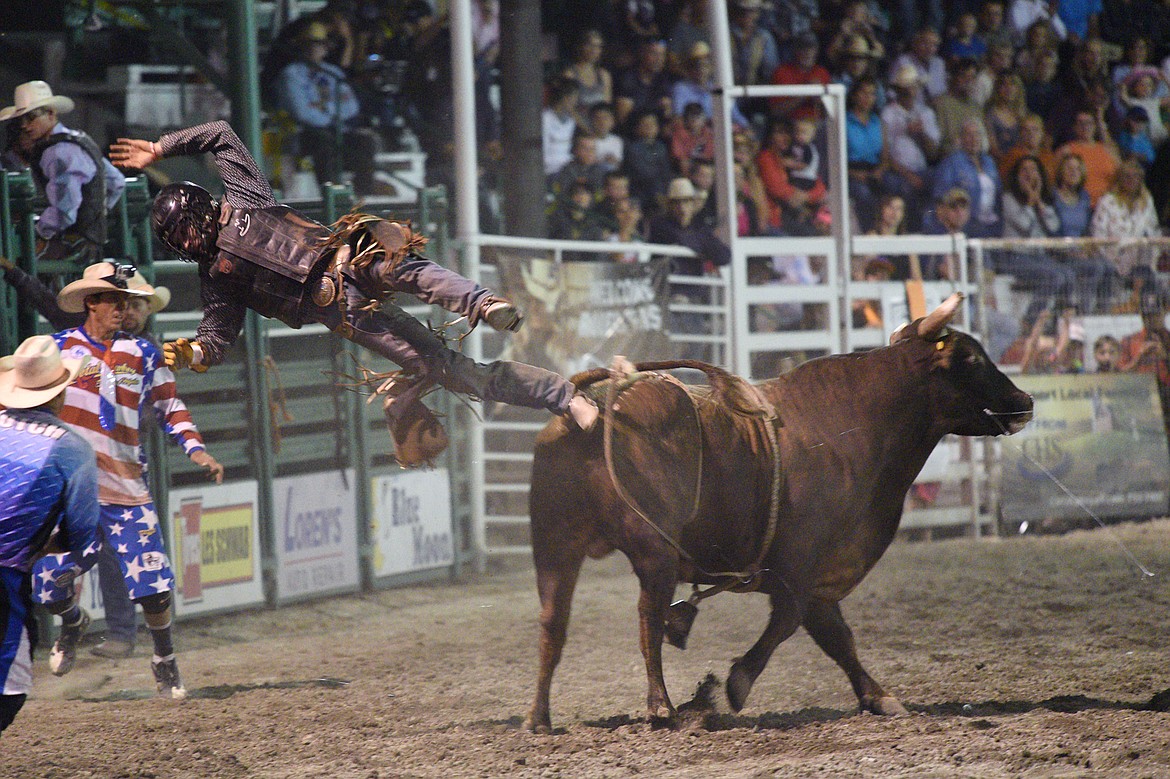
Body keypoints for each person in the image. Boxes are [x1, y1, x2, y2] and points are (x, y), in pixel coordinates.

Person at [108, 122, 599, 464]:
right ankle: (564, 397)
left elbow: (220, 133)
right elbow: (217, 334)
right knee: (449, 371)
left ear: (197, 211)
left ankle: (483, 303)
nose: (187, 244)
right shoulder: (217, 277)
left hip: (347, 254)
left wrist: (162, 147)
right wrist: (192, 351)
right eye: (179, 242)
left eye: (185, 232)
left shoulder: (245, 197)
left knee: (404, 266)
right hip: (344, 313)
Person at [50, 262, 225, 699]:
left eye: (125, 301)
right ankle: (72, 621)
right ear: (91, 302)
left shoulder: (144, 354)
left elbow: (171, 405)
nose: (121, 308)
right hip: (70, 491)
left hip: (126, 487)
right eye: (113, 299)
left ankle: (164, 657)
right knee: (50, 583)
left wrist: (195, 447)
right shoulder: (57, 349)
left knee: (153, 585)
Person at [0, 335, 99, 734]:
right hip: (6, 577)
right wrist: (41, 547)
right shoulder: (72, 450)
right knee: (8, 689)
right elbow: (81, 534)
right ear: (60, 393)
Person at [0, 81, 125, 264]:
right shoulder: (79, 141)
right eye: (22, 120)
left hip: (70, 245)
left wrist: (39, 231)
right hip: (90, 243)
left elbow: (64, 212)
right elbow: (116, 181)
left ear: (50, 114)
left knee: (16, 261)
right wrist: (95, 215)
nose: (25, 126)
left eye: (31, 117)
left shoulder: (56, 152)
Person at [273, 21, 383, 197]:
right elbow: (302, 113)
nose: (315, 49)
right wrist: (333, 114)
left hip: (337, 129)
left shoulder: (333, 73)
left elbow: (351, 105)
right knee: (323, 141)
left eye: (320, 44)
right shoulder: (291, 75)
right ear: (301, 47)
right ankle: (331, 196)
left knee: (365, 142)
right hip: (305, 133)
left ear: (326, 48)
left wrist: (326, 110)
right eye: (310, 44)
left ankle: (363, 195)